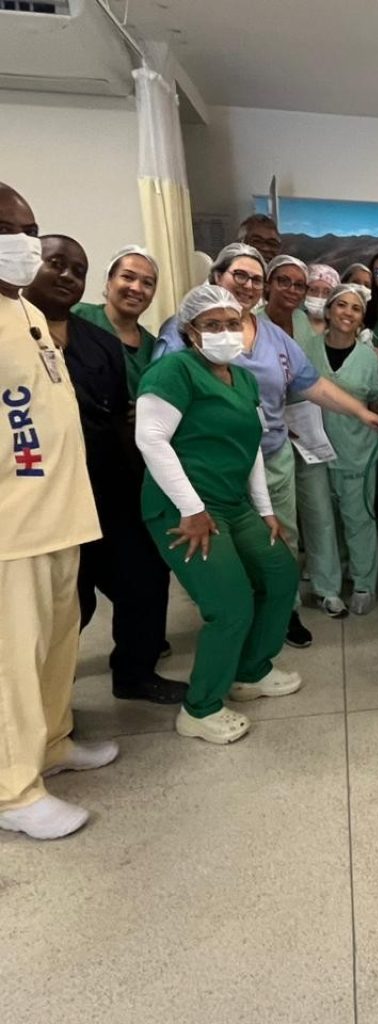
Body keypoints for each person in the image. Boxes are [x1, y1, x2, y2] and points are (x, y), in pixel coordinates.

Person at [157, 243, 378, 647]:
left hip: (271, 456)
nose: (247, 285)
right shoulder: (182, 335)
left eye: (255, 279)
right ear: (217, 277)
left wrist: (361, 412)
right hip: (214, 465)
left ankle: (282, 613)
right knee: (225, 552)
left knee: (280, 539)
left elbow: (312, 384)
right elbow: (158, 413)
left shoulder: (275, 339)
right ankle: (236, 622)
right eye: (239, 276)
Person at [0, 183, 117, 841]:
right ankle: (11, 791)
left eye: (28, 229)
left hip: (61, 511)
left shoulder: (27, 312)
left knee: (57, 643)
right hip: (10, 525)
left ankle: (49, 743)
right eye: (7, 230)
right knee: (11, 660)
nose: (21, 242)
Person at [23, 235, 185, 705]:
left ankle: (135, 672)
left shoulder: (102, 343)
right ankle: (42, 700)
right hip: (42, 491)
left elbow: (118, 415)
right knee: (68, 599)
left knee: (144, 576)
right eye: (56, 264)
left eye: (77, 269)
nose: (67, 276)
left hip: (110, 482)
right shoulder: (15, 334)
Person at [136, 284, 302, 744]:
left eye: (233, 323)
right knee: (230, 605)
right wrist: (191, 509)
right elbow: (150, 439)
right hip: (183, 509)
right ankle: (201, 707)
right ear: (190, 331)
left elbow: (252, 447)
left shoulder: (242, 379)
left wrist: (264, 508)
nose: (225, 332)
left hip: (231, 503)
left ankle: (250, 671)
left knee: (280, 574)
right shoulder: (174, 371)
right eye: (212, 325)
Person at [294, 284, 378, 617]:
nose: (348, 313)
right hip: (312, 450)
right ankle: (327, 589)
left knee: (358, 520)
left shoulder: (367, 357)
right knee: (320, 523)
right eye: (341, 305)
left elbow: (376, 394)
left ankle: (364, 584)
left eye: (356, 308)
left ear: (362, 317)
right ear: (328, 310)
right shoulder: (306, 349)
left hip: (357, 450)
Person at [72, 245, 159, 399]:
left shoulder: (154, 349)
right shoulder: (78, 316)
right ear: (109, 281)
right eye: (128, 277)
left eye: (147, 283)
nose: (137, 288)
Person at [262, 254, 320, 351]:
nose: (292, 290)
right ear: (268, 285)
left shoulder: (300, 319)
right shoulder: (254, 322)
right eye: (284, 281)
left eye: (299, 285)